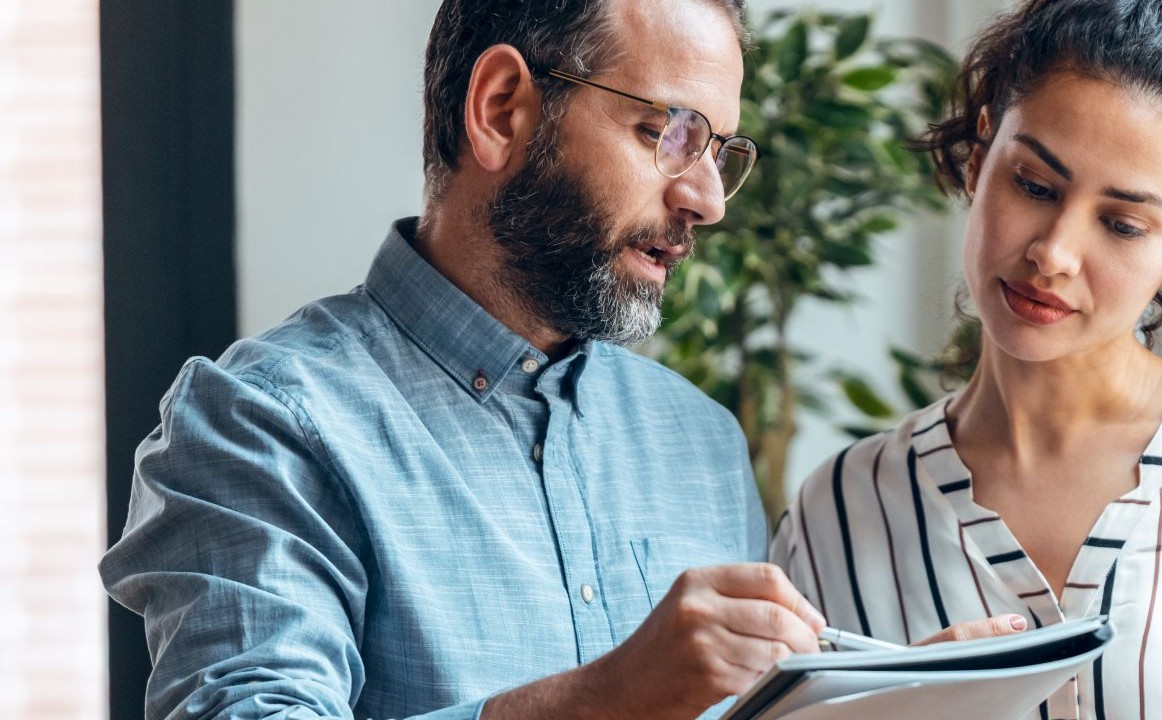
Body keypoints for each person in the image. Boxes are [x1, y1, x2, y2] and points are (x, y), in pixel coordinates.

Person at [99, 1, 1007, 718]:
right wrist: (605, 704)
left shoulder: (699, 440)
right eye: (673, 133)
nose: (707, 198)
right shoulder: (261, 424)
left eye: (720, 151)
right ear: (502, 110)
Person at [771, 0, 1162, 718]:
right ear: (983, 154)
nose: (1053, 253)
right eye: (1034, 186)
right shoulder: (835, 512)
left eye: (1121, 224)